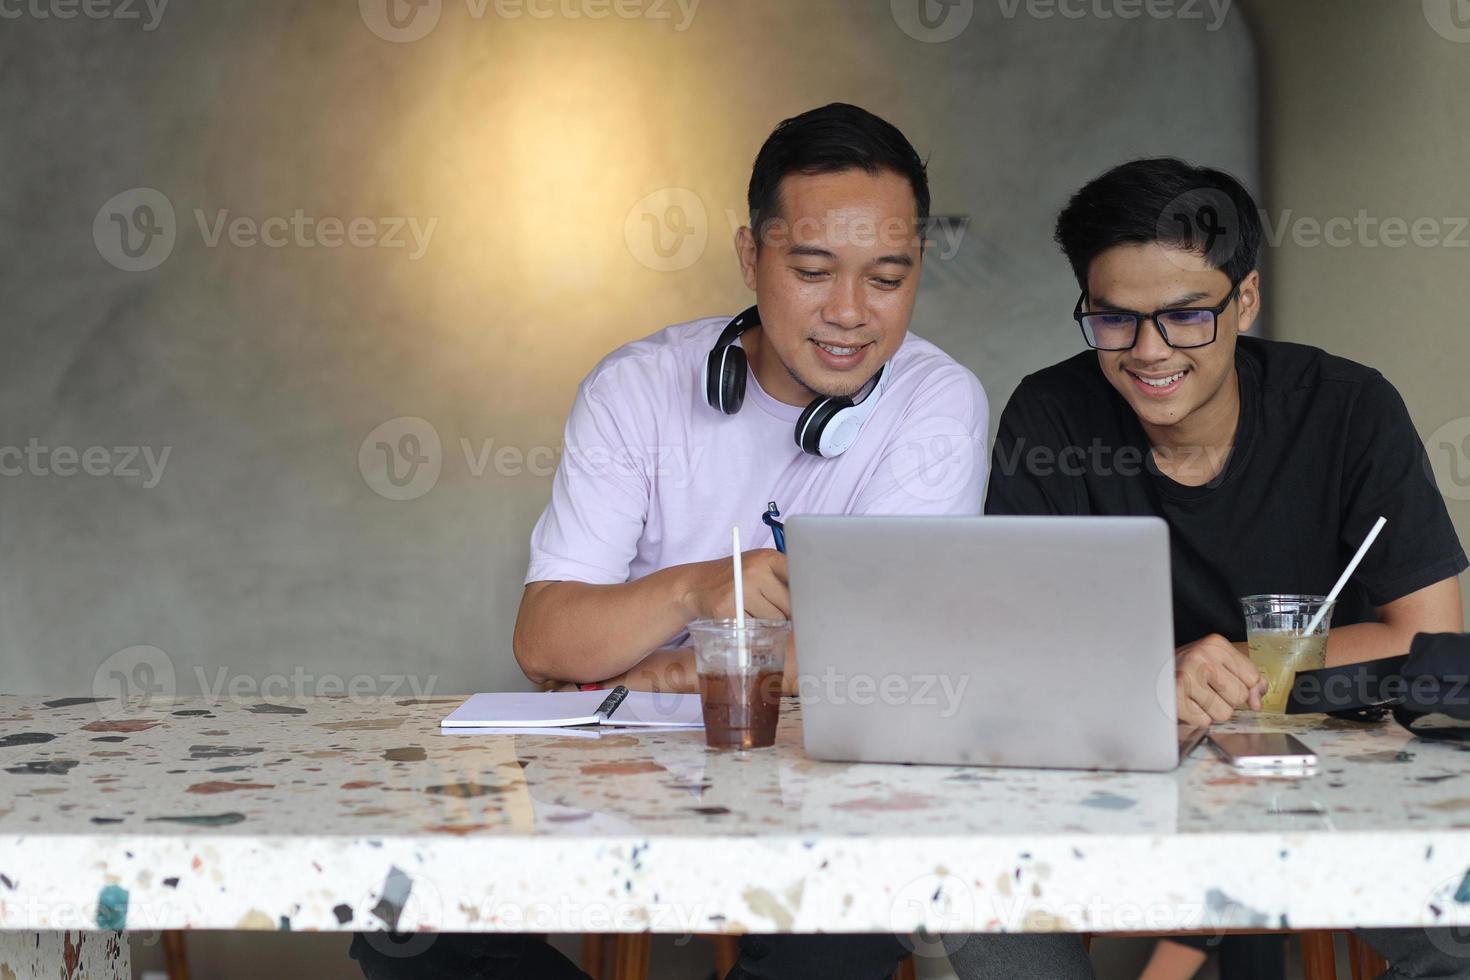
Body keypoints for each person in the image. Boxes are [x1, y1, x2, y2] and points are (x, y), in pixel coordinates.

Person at [354, 101, 991, 980]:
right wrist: (699, 592)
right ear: (749, 256)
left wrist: (664, 669)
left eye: (888, 277)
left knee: (850, 918)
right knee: (399, 912)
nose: (851, 312)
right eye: (813, 269)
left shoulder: (936, 403)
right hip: (626, 770)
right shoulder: (637, 389)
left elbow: (886, 654)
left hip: (827, 778)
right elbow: (547, 642)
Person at [949, 157, 1468, 980]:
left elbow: (1432, 636)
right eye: (1114, 319)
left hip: (1327, 776)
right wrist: (1158, 684)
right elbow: (1021, 661)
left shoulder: (1347, 408)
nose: (1149, 353)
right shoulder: (1050, 415)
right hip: (1117, 768)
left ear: (1246, 301)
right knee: (981, 903)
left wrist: (1240, 670)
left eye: (1187, 315)